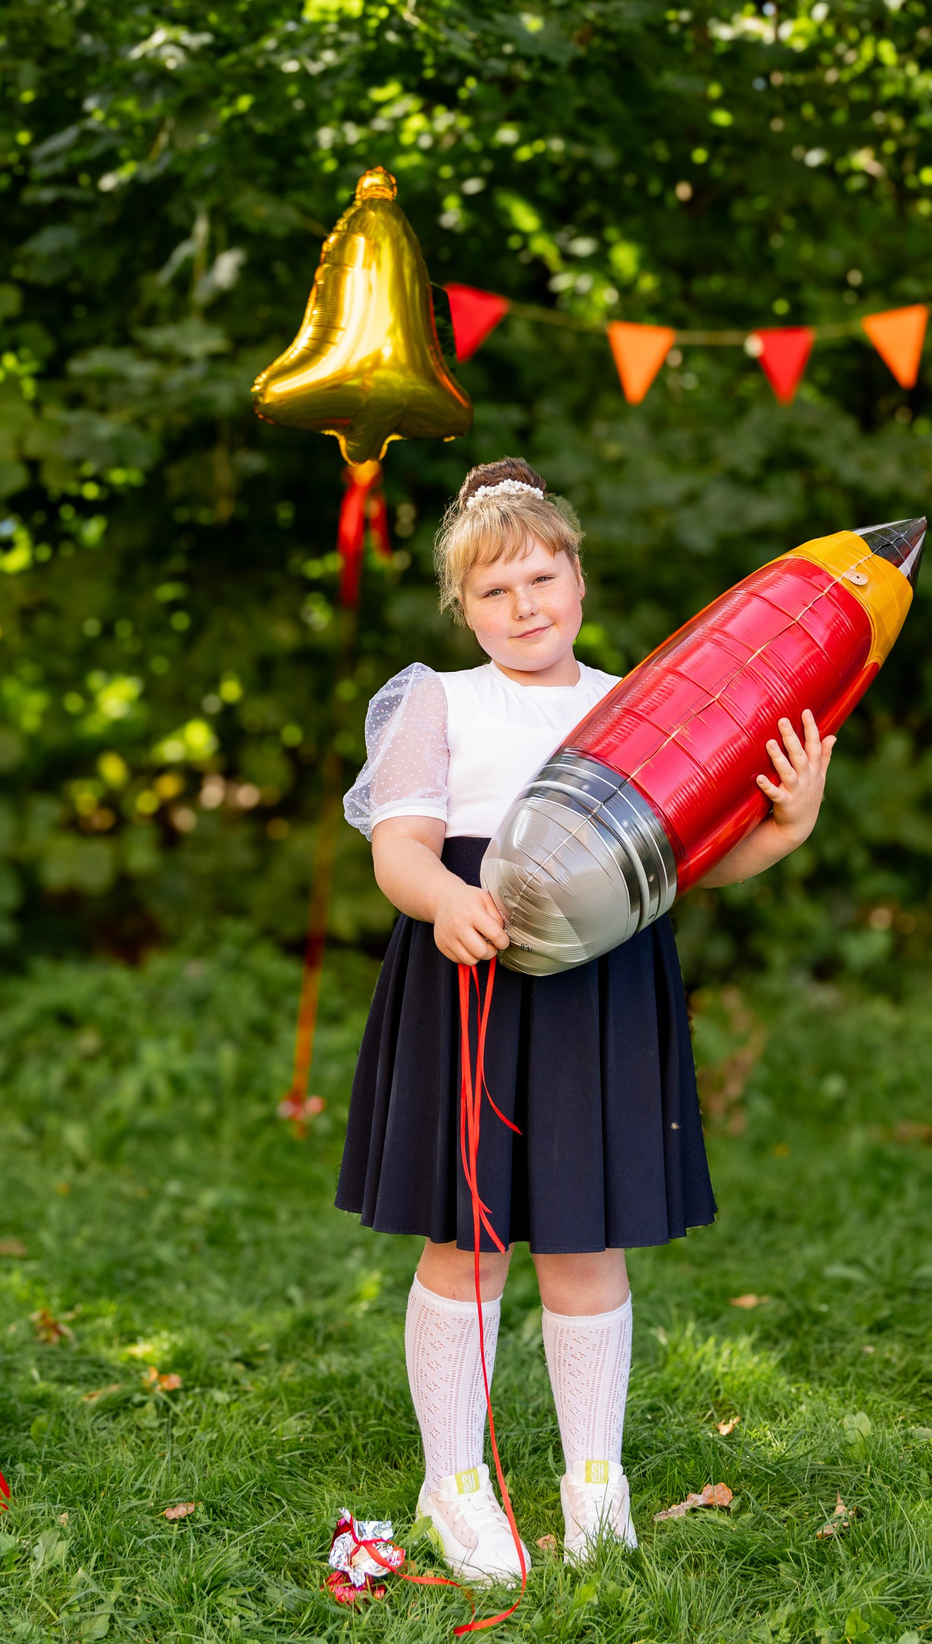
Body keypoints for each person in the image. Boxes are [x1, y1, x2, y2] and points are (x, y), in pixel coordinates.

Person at [338, 458, 837, 1580]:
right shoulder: (440, 701)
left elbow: (692, 863)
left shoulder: (639, 704)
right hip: (467, 974)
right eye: (493, 593)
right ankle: (453, 1484)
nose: (522, 608)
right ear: (462, 611)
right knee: (465, 1243)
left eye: (539, 579)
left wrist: (786, 826)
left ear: (577, 579)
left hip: (602, 990)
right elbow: (398, 847)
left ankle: (592, 1484)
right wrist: (444, 899)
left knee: (585, 1239)